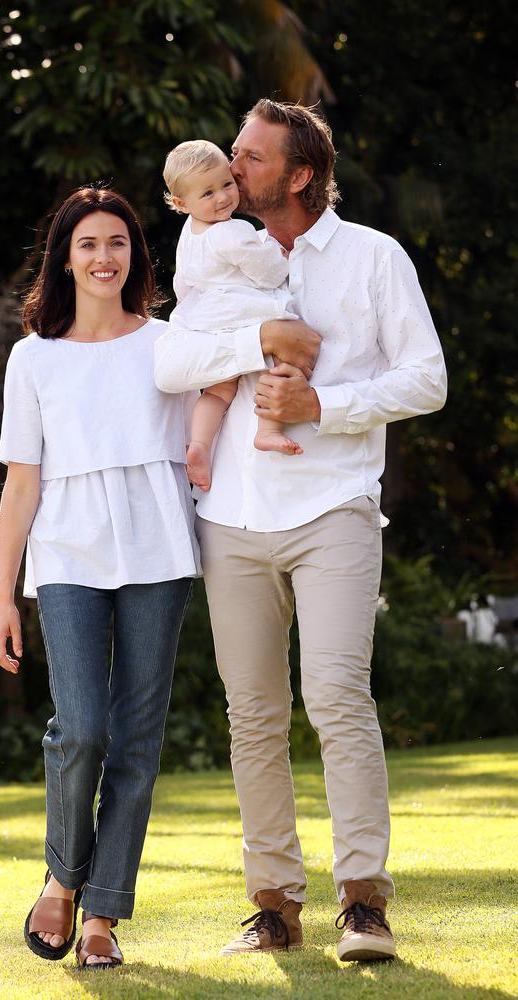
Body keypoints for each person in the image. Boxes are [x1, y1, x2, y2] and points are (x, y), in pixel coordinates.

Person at [155, 99, 447, 962]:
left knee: (337, 699)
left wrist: (324, 404)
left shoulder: (372, 258)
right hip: (232, 521)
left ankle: (364, 904)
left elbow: (426, 379)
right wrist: (261, 339)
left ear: (301, 174)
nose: (231, 168)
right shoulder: (208, 252)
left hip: (334, 510)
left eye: (249, 157)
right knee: (253, 715)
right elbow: (172, 362)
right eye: (232, 155)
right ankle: (274, 907)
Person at [0, 187, 200, 970]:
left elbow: (216, 406)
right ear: (65, 259)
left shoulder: (169, 343)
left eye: (118, 243)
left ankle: (104, 913)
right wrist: (2, 596)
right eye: (88, 245)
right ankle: (61, 876)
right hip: (69, 555)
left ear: (136, 256)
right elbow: (20, 484)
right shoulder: (33, 358)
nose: (104, 257)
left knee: (137, 740)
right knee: (80, 730)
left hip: (158, 552)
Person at [163, 139, 304, 492]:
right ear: (181, 203)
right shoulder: (231, 231)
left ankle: (199, 445)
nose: (223, 197)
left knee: (218, 392)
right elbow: (269, 273)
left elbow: (183, 284)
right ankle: (269, 430)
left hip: (204, 319)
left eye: (226, 184)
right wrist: (279, 251)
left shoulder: (189, 234)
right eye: (208, 194)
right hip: (240, 312)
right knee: (284, 352)